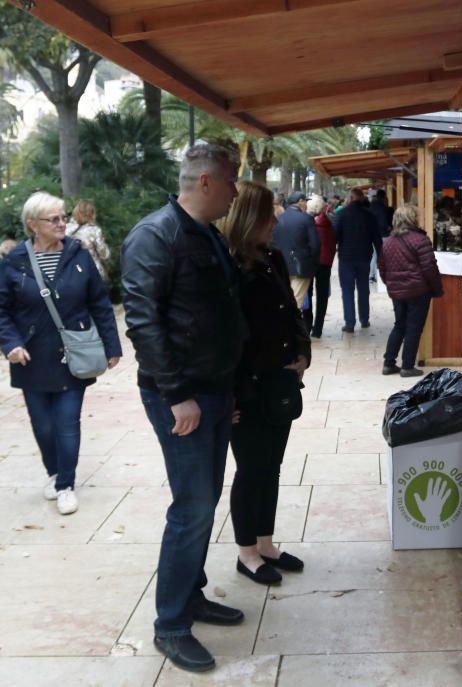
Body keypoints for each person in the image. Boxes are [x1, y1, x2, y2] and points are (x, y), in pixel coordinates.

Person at [121, 143, 248, 674]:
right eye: (230, 182)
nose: (236, 193)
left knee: (205, 497)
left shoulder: (207, 234)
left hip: (214, 391)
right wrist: (177, 395)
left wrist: (229, 389)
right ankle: (170, 625)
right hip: (182, 395)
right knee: (192, 506)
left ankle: (190, 595)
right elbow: (143, 322)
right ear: (204, 183)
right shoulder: (156, 235)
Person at [0, 192, 121, 515]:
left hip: (71, 354)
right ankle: (54, 471)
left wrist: (111, 346)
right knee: (43, 425)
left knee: (67, 422)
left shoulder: (79, 256)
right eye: (55, 219)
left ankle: (66, 484)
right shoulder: (14, 262)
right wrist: (11, 344)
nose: (63, 224)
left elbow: (99, 304)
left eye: (64, 217)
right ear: (33, 224)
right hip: (30, 357)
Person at [220, 181, 310, 586]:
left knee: (271, 467)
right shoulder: (229, 265)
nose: (276, 220)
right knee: (251, 468)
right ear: (249, 217)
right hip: (247, 385)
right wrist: (230, 393)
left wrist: (303, 353)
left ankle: (265, 541)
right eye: (268, 213)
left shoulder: (272, 256)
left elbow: (292, 310)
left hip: (279, 381)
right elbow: (223, 336)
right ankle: (246, 552)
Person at [378, 204, 443, 377]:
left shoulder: (388, 242)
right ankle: (407, 366)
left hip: (397, 292)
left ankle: (389, 363)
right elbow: (430, 268)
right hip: (418, 291)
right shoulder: (420, 240)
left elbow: (382, 268)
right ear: (413, 219)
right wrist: (437, 290)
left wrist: (391, 284)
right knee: (414, 327)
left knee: (399, 325)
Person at [333, 188, 382, 332]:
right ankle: (364, 319)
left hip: (346, 258)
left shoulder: (341, 214)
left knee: (347, 290)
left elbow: (334, 236)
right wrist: (381, 257)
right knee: (364, 289)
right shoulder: (370, 215)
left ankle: (349, 323)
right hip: (364, 257)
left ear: (351, 197)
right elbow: (377, 239)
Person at [273, 191, 320, 307]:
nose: (306, 205)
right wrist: (312, 262)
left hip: (282, 266)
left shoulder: (278, 218)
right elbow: (316, 245)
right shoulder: (306, 219)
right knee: (297, 302)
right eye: (305, 201)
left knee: (285, 301)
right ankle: (291, 324)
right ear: (300, 202)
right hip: (302, 267)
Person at [305, 194, 336, 338]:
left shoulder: (307, 224)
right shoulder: (329, 223)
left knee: (308, 293)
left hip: (311, 263)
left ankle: (307, 324)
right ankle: (318, 328)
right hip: (325, 264)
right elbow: (332, 244)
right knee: (322, 295)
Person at [66, 199, 111, 281]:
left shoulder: (66, 229)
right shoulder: (95, 230)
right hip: (92, 272)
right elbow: (104, 254)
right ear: (92, 213)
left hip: (71, 273)